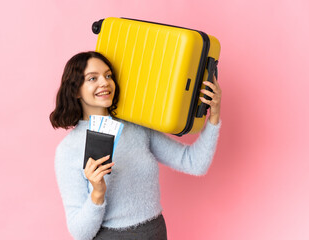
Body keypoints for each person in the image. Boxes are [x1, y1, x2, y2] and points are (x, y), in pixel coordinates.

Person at [50, 51, 222, 240]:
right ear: (75, 90)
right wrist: (97, 193)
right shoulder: (68, 150)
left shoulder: (137, 126)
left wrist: (213, 117)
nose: (104, 82)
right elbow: (80, 233)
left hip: (155, 232)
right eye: (92, 78)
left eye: (108, 76)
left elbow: (194, 163)